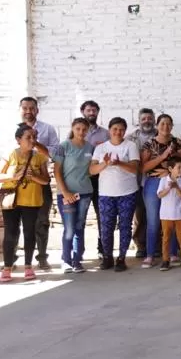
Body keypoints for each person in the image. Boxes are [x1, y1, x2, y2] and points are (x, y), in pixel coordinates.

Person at [0, 124, 50, 282]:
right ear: (18, 139)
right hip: (12, 200)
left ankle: (28, 266)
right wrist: (14, 176)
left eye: (34, 137)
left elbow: (46, 181)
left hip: (32, 200)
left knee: (29, 233)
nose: (32, 140)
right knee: (10, 233)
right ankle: (7, 267)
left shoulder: (39, 157)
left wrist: (33, 177)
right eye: (28, 137)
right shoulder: (10, 154)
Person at [90, 117, 140, 271]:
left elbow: (134, 168)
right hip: (106, 193)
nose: (118, 132)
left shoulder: (130, 146)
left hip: (127, 192)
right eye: (115, 129)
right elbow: (92, 171)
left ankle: (121, 258)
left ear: (125, 131)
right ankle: (107, 257)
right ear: (109, 130)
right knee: (106, 227)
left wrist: (119, 163)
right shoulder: (101, 148)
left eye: (121, 129)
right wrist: (105, 163)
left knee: (125, 226)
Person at [140, 114, 181, 267]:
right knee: (153, 220)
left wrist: (173, 157)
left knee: (172, 217)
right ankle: (150, 255)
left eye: (168, 124)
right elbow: (143, 168)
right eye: (162, 124)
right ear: (157, 125)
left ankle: (173, 254)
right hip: (154, 182)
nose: (165, 127)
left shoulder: (177, 143)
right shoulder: (149, 144)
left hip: (172, 181)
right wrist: (163, 156)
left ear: (172, 126)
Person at [17, 97, 59, 271]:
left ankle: (42, 257)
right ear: (20, 109)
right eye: (25, 108)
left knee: (42, 221)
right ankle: (13, 257)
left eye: (32, 108)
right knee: (17, 221)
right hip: (19, 183)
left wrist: (37, 144)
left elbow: (56, 154)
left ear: (37, 110)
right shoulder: (13, 129)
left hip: (41, 181)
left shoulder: (47, 129)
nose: (28, 111)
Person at [52, 117, 94, 273]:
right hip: (66, 193)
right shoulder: (63, 146)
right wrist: (65, 192)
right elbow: (57, 171)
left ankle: (77, 260)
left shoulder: (90, 147)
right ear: (72, 128)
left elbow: (92, 169)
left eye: (84, 129)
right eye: (78, 129)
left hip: (85, 193)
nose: (81, 132)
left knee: (79, 226)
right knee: (69, 228)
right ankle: (66, 260)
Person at [156, 158, 181, 271]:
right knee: (166, 238)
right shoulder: (163, 181)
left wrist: (176, 187)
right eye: (178, 167)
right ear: (170, 169)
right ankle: (165, 260)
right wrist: (169, 187)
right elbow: (159, 195)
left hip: (180, 215)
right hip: (166, 215)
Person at [127, 108, 157, 257]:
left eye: (149, 118)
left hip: (157, 181)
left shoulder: (161, 135)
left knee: (156, 215)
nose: (147, 121)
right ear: (138, 121)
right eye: (144, 118)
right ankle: (141, 245)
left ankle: (156, 246)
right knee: (140, 215)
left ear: (154, 120)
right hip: (137, 182)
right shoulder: (130, 138)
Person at [81, 100, 110, 258]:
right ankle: (79, 250)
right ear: (83, 112)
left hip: (100, 178)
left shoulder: (105, 133)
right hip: (82, 179)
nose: (91, 113)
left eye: (94, 110)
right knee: (81, 215)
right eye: (88, 110)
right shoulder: (76, 132)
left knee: (102, 214)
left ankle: (102, 248)